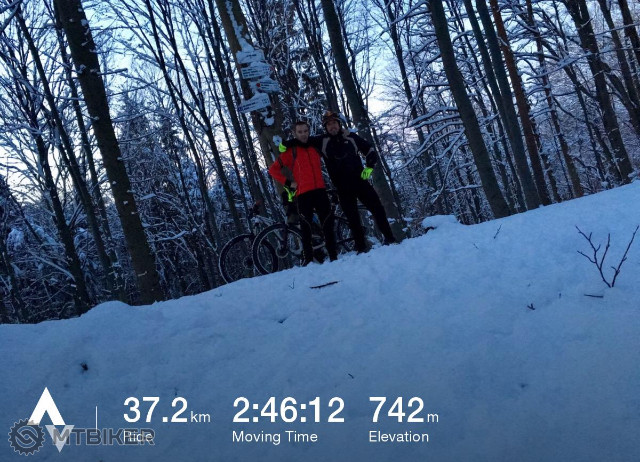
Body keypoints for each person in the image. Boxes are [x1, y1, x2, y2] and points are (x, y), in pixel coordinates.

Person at [284, 111, 396, 253]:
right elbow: (303, 141)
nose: (332, 126)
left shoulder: (351, 137)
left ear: (339, 124)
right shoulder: (322, 141)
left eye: (334, 123)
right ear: (326, 127)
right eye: (329, 124)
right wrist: (285, 145)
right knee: (352, 218)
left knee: (377, 209)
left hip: (360, 182)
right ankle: (361, 248)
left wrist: (369, 167)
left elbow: (369, 149)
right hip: (342, 188)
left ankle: (390, 239)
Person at [268, 121, 338, 266]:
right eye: (300, 132)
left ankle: (334, 258)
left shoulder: (315, 147)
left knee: (327, 224)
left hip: (320, 190)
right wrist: (288, 183)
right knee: (306, 228)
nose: (303, 134)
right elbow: (273, 170)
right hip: (303, 194)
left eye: (305, 131)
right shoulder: (291, 151)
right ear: (294, 133)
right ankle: (308, 261)